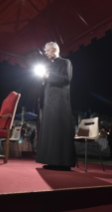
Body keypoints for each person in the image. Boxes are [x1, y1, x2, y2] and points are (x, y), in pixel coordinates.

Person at [36, 42, 76, 171]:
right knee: (51, 132)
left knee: (59, 130)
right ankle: (51, 160)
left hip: (60, 103)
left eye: (47, 51)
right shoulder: (50, 66)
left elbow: (66, 78)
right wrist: (44, 77)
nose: (46, 53)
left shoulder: (65, 62)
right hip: (49, 104)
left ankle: (63, 162)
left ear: (54, 50)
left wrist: (48, 76)